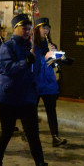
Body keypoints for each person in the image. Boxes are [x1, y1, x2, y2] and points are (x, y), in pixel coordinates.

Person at [0, 14, 57, 166]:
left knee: (33, 134)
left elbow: (40, 66)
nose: (27, 32)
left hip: (27, 96)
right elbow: (7, 68)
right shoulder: (7, 47)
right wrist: (25, 62)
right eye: (24, 29)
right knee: (6, 132)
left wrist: (56, 58)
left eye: (29, 29)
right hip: (9, 97)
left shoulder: (33, 46)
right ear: (16, 29)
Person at [34, 17, 67, 146]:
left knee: (51, 110)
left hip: (48, 82)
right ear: (37, 30)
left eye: (47, 28)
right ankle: (28, 133)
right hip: (36, 81)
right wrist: (45, 56)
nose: (46, 30)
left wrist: (58, 57)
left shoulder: (51, 45)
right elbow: (34, 62)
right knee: (31, 110)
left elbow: (52, 65)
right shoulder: (32, 45)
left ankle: (55, 136)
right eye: (43, 28)